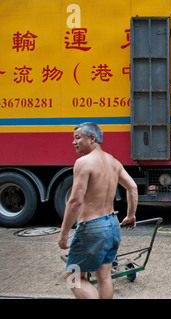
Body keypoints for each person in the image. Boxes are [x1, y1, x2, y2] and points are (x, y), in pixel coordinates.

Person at [57, 122, 138, 299]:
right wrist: (131, 215)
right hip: (112, 225)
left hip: (92, 229)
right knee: (104, 276)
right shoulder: (113, 162)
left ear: (92, 138)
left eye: (78, 138)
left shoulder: (83, 163)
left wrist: (63, 233)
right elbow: (132, 187)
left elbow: (75, 201)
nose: (74, 142)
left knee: (73, 276)